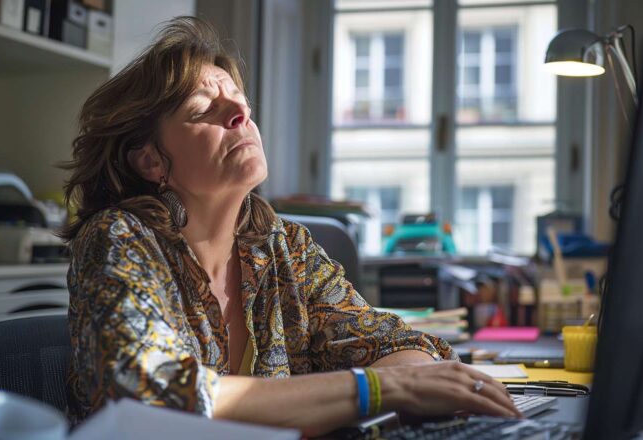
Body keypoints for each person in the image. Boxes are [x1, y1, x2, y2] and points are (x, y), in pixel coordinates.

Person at [61, 16, 521, 437]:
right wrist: (378, 389)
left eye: (240, 102)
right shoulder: (118, 239)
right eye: (204, 109)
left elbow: (396, 344)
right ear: (150, 160)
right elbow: (152, 394)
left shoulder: (284, 246)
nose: (239, 114)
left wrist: (408, 382)